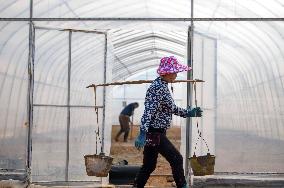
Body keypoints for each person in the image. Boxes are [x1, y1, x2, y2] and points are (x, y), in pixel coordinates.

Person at [133, 56, 203, 188]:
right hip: (155, 133)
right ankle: (182, 185)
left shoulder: (162, 86)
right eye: (175, 72)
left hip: (155, 132)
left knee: (149, 165)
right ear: (168, 73)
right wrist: (142, 132)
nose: (177, 75)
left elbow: (171, 108)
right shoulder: (158, 87)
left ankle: (137, 186)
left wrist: (188, 112)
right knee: (176, 159)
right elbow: (149, 111)